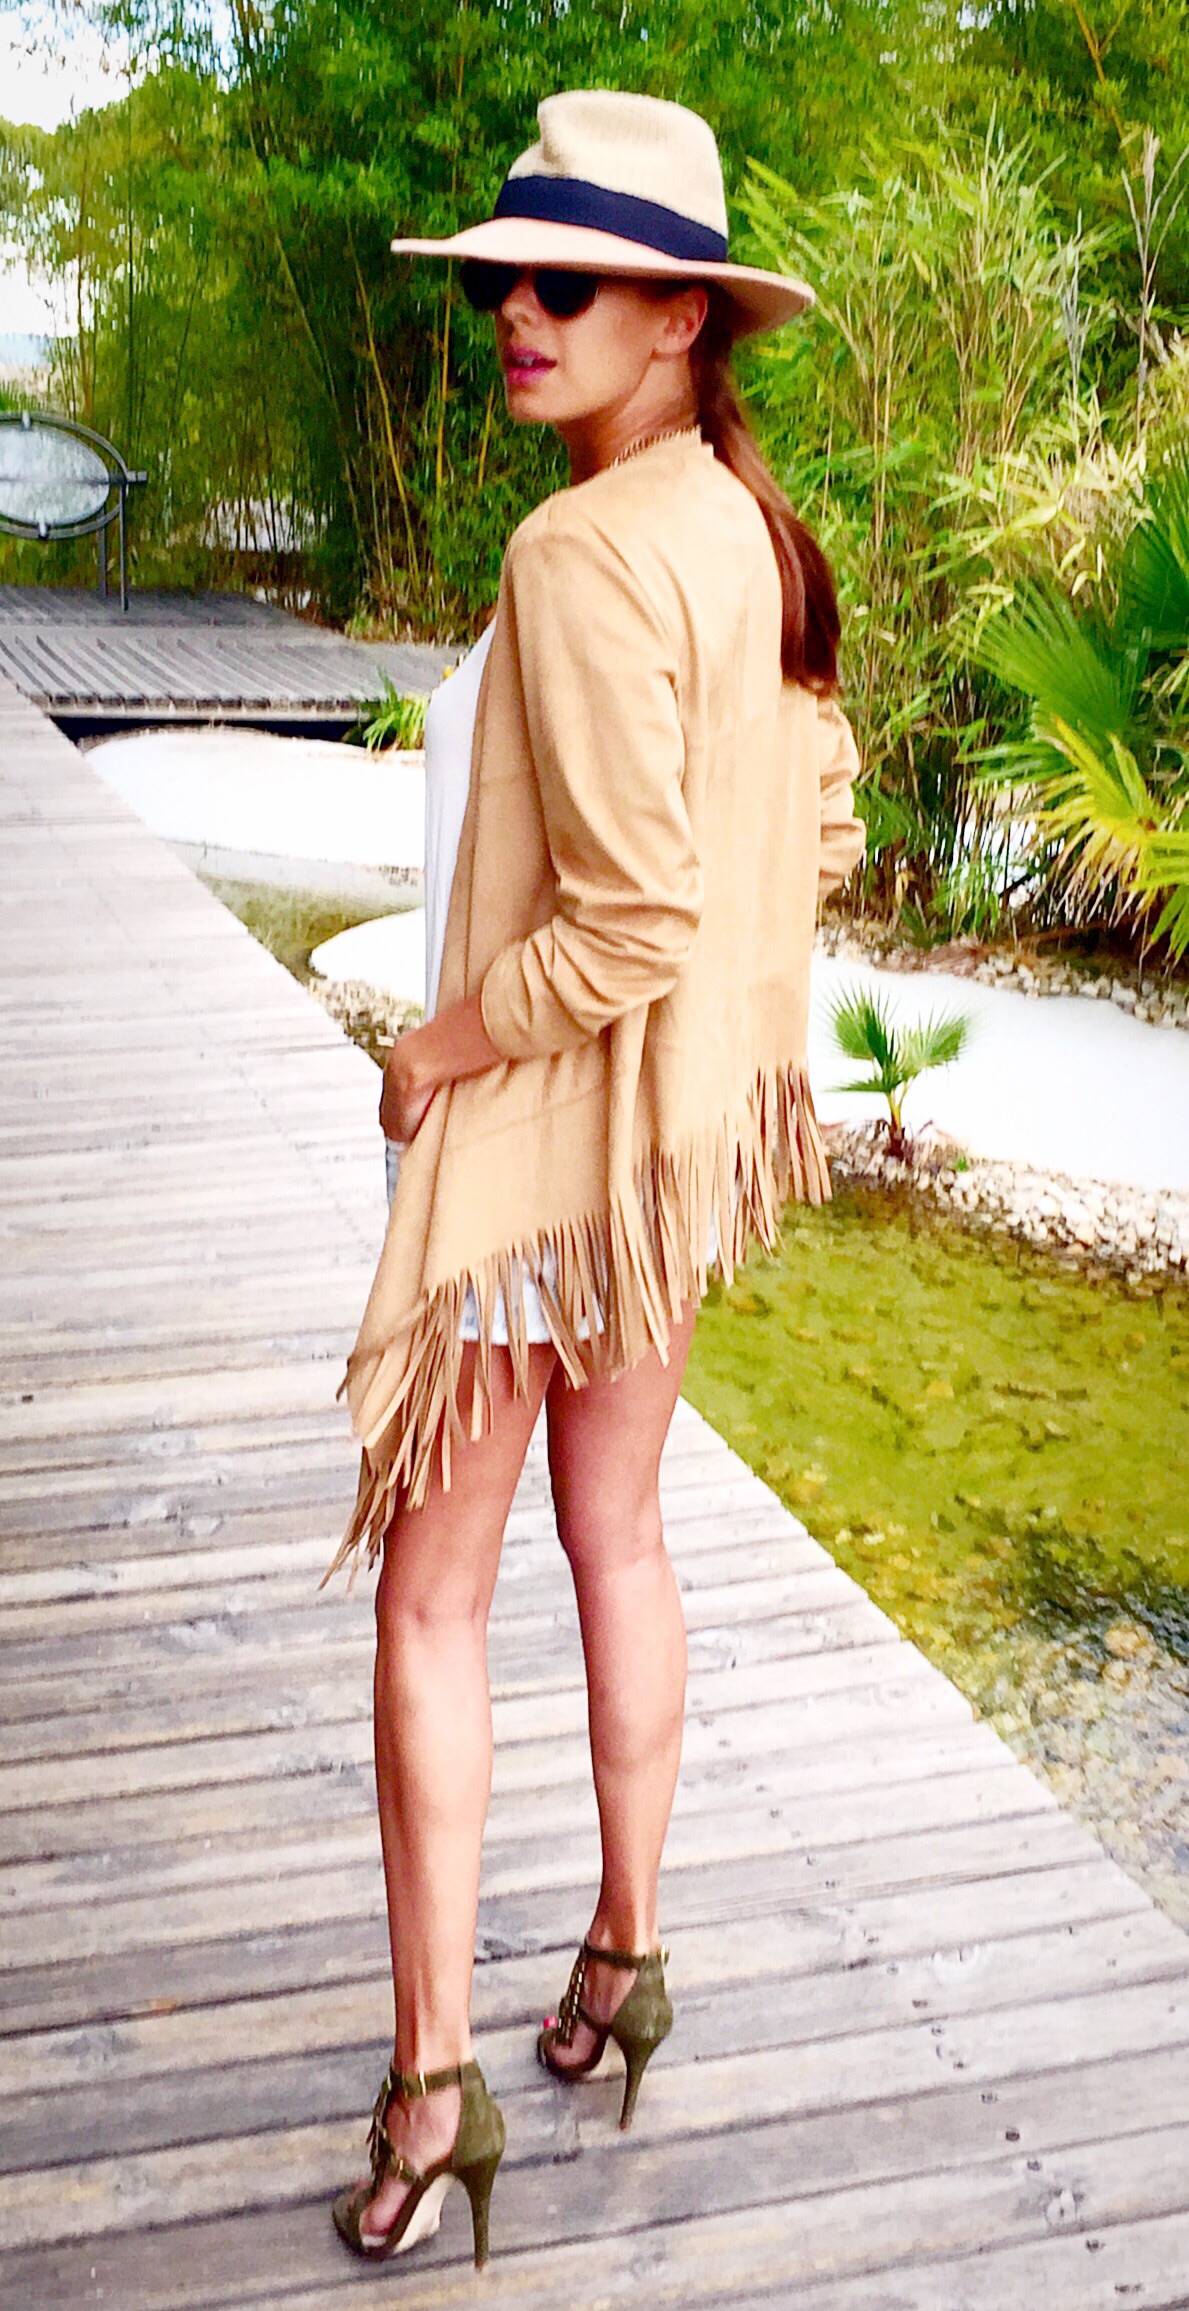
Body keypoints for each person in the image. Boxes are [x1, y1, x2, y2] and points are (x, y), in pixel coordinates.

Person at [327, 86, 866, 2270]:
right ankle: (624, 1951)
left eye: (566, 283)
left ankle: (430, 2088)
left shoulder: (576, 552)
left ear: (678, 317)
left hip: (546, 1157)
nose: (516, 316)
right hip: (660, 1153)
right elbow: (810, 820)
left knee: (430, 1599)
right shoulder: (742, 527)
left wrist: (436, 1045)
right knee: (618, 1532)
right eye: (502, 283)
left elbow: (630, 913)